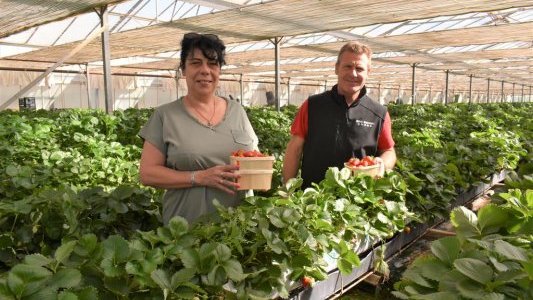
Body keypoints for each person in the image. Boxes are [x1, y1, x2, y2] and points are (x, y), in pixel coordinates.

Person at [139, 32, 258, 224]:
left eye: (212, 64)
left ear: (219, 70)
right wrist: (199, 177)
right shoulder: (165, 116)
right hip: (185, 230)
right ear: (183, 69)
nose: (205, 70)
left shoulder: (238, 112)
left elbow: (255, 158)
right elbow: (147, 173)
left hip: (239, 232)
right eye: (196, 63)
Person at [282, 41, 396, 189]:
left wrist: (383, 163)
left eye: (359, 68)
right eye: (348, 66)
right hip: (312, 198)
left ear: (368, 72)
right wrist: (287, 188)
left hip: (357, 199)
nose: (353, 73)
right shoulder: (312, 105)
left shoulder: (378, 113)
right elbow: (294, 149)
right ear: (337, 68)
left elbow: (389, 151)